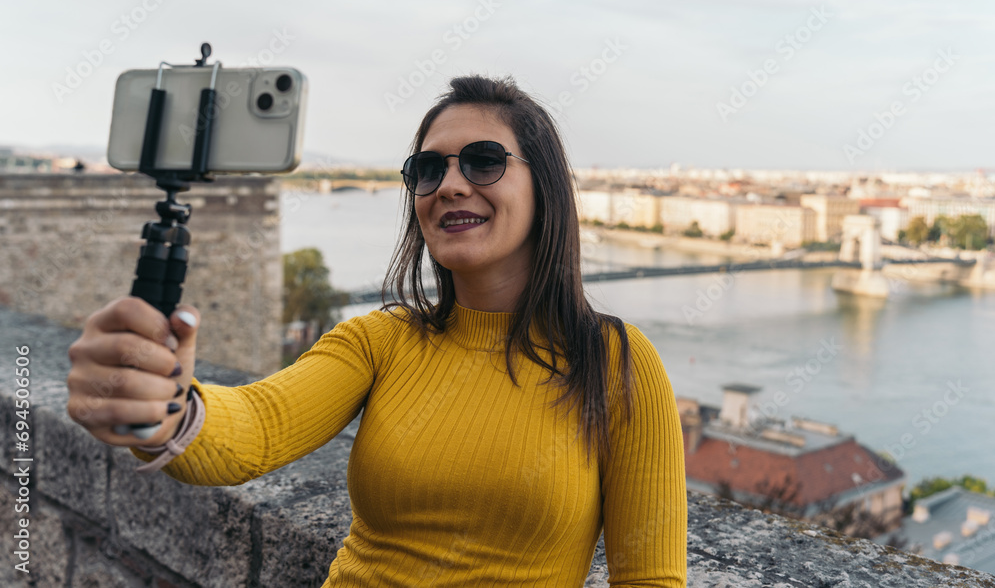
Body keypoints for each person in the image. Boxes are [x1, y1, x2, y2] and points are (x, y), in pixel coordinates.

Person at [67, 75, 688, 586]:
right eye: (427, 169)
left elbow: (650, 579)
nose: (448, 185)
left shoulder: (615, 363)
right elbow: (255, 427)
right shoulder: (380, 342)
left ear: (546, 189)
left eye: (484, 161)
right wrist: (165, 408)